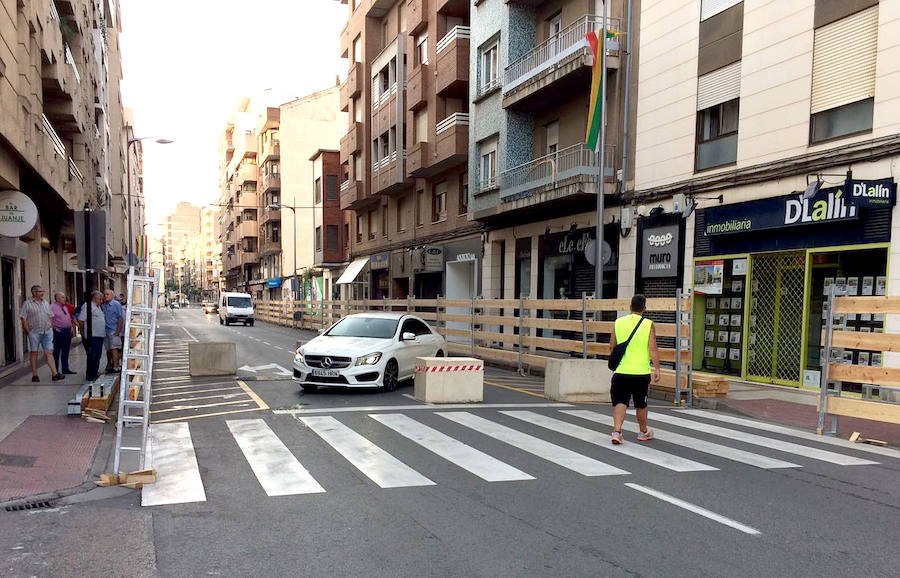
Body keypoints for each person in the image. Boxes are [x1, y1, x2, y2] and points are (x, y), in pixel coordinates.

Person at [608, 294, 660, 444]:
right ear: (644, 308)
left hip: (621, 371)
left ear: (630, 307)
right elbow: (653, 349)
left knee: (620, 401)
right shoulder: (648, 324)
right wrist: (657, 369)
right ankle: (643, 432)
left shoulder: (618, 322)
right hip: (641, 373)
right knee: (641, 403)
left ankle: (617, 431)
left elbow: (612, 346)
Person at [20, 285, 65, 382]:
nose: (42, 293)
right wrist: (28, 332)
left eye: (42, 291)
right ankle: (35, 375)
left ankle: (55, 374)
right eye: (40, 291)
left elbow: (50, 316)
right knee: (34, 353)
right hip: (34, 332)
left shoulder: (45, 303)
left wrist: (51, 327)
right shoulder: (27, 304)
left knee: (49, 352)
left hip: (47, 331)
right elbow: (23, 318)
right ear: (34, 293)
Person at [78, 291, 106, 381]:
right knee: (92, 355)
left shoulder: (98, 307)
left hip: (99, 335)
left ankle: (95, 372)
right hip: (92, 336)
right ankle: (90, 375)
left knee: (97, 355)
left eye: (102, 299)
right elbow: (81, 320)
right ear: (93, 298)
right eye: (99, 299)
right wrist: (83, 333)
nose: (101, 301)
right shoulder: (87, 306)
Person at [50, 292, 77, 375]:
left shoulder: (64, 307)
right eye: (62, 297)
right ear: (57, 298)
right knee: (57, 351)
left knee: (66, 351)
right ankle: (56, 371)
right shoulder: (52, 307)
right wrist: (55, 329)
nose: (64, 299)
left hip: (67, 331)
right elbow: (50, 319)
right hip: (59, 331)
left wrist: (71, 328)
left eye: (64, 297)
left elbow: (68, 318)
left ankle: (65, 369)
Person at [102, 289, 125, 374]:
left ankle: (116, 366)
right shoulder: (104, 305)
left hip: (114, 329)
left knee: (115, 348)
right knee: (108, 349)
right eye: (104, 295)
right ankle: (109, 364)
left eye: (107, 294)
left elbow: (120, 318)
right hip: (106, 330)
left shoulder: (116, 304)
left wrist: (118, 331)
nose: (105, 296)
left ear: (112, 295)